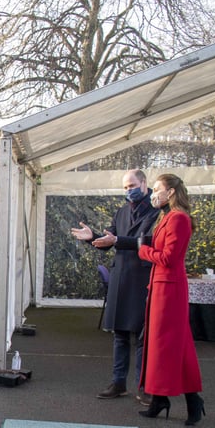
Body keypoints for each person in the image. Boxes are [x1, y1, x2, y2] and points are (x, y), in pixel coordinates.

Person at [71, 169, 159, 402]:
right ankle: (118, 382)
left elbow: (149, 241)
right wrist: (92, 237)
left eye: (132, 185)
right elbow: (109, 241)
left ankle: (144, 386)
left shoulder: (156, 212)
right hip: (121, 277)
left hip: (143, 278)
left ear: (144, 183)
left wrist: (118, 240)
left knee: (143, 336)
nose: (128, 190)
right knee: (119, 334)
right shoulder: (121, 212)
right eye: (125, 187)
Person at [135, 174, 205, 425]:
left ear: (172, 192)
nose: (154, 193)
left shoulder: (178, 219)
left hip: (169, 290)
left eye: (157, 189)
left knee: (170, 346)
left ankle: (189, 399)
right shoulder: (168, 217)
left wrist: (144, 250)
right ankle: (160, 398)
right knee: (160, 345)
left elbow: (168, 258)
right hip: (161, 288)